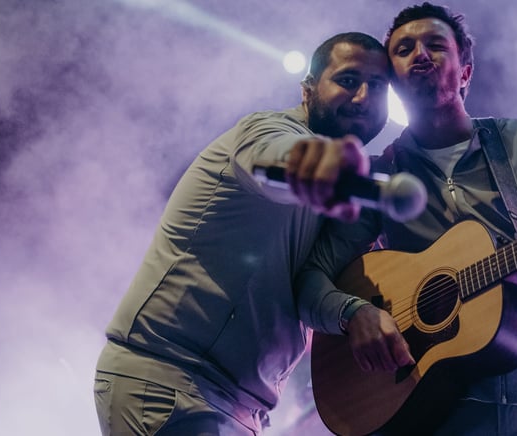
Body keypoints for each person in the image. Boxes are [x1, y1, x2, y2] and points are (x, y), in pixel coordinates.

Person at [295, 3, 517, 435]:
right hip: (446, 405)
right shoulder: (381, 176)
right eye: (404, 49)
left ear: (466, 72)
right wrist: (353, 312)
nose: (421, 54)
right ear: (393, 82)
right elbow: (311, 279)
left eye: (436, 45)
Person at [92, 31, 390, 435]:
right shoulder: (266, 131)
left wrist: (353, 311)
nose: (363, 98)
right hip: (171, 382)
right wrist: (316, 162)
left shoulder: (336, 195)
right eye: (348, 80)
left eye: (378, 86)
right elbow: (273, 158)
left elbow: (306, 289)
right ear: (307, 90)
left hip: (238, 406)